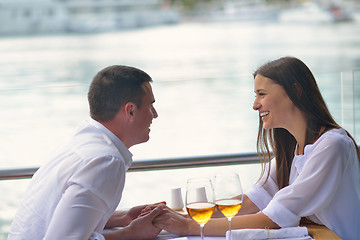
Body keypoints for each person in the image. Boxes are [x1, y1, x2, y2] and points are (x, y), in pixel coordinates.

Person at [153, 56, 360, 240]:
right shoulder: (294, 150)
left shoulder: (332, 146)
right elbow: (253, 200)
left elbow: (274, 217)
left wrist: (189, 227)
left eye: (261, 94)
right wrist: (185, 217)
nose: (255, 105)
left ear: (295, 92)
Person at [8, 65, 164, 240]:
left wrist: (122, 218)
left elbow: (58, 216)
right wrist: (130, 234)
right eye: (151, 106)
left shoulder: (82, 140)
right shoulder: (105, 161)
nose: (155, 115)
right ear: (130, 111)